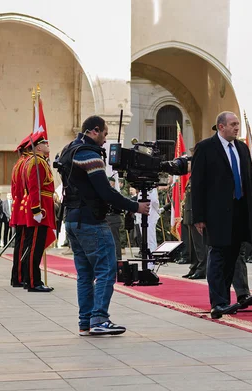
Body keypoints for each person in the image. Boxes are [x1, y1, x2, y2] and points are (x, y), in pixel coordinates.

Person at [59, 115, 150, 335]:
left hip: (72, 220)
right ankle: (99, 318)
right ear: (94, 130)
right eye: (104, 133)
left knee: (85, 275)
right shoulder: (90, 155)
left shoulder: (69, 150)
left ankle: (85, 322)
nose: (105, 138)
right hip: (90, 221)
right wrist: (135, 206)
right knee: (106, 270)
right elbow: (105, 191)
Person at [191, 111, 252, 318]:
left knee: (232, 256)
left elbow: (250, 181)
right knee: (218, 255)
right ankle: (218, 303)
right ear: (221, 127)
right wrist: (199, 216)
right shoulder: (205, 148)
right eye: (233, 124)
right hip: (216, 213)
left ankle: (227, 300)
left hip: (240, 211)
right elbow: (198, 185)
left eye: (237, 124)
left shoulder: (241, 148)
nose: (236, 128)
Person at [22, 136, 56, 292]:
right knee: (35, 248)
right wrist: (36, 209)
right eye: (44, 143)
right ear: (38, 147)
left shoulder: (40, 161)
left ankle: (34, 280)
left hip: (44, 207)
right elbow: (35, 187)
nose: (47, 145)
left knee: (36, 247)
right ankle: (33, 282)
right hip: (40, 209)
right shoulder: (37, 162)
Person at [10, 142, 32, 287]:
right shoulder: (25, 163)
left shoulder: (19, 163)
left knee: (22, 243)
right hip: (24, 206)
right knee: (23, 243)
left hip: (20, 206)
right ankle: (19, 276)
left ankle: (20, 276)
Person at [106, 178, 123, 260]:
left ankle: (118, 257)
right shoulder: (106, 192)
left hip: (113, 218)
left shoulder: (115, 193)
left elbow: (119, 208)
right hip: (106, 218)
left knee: (115, 239)